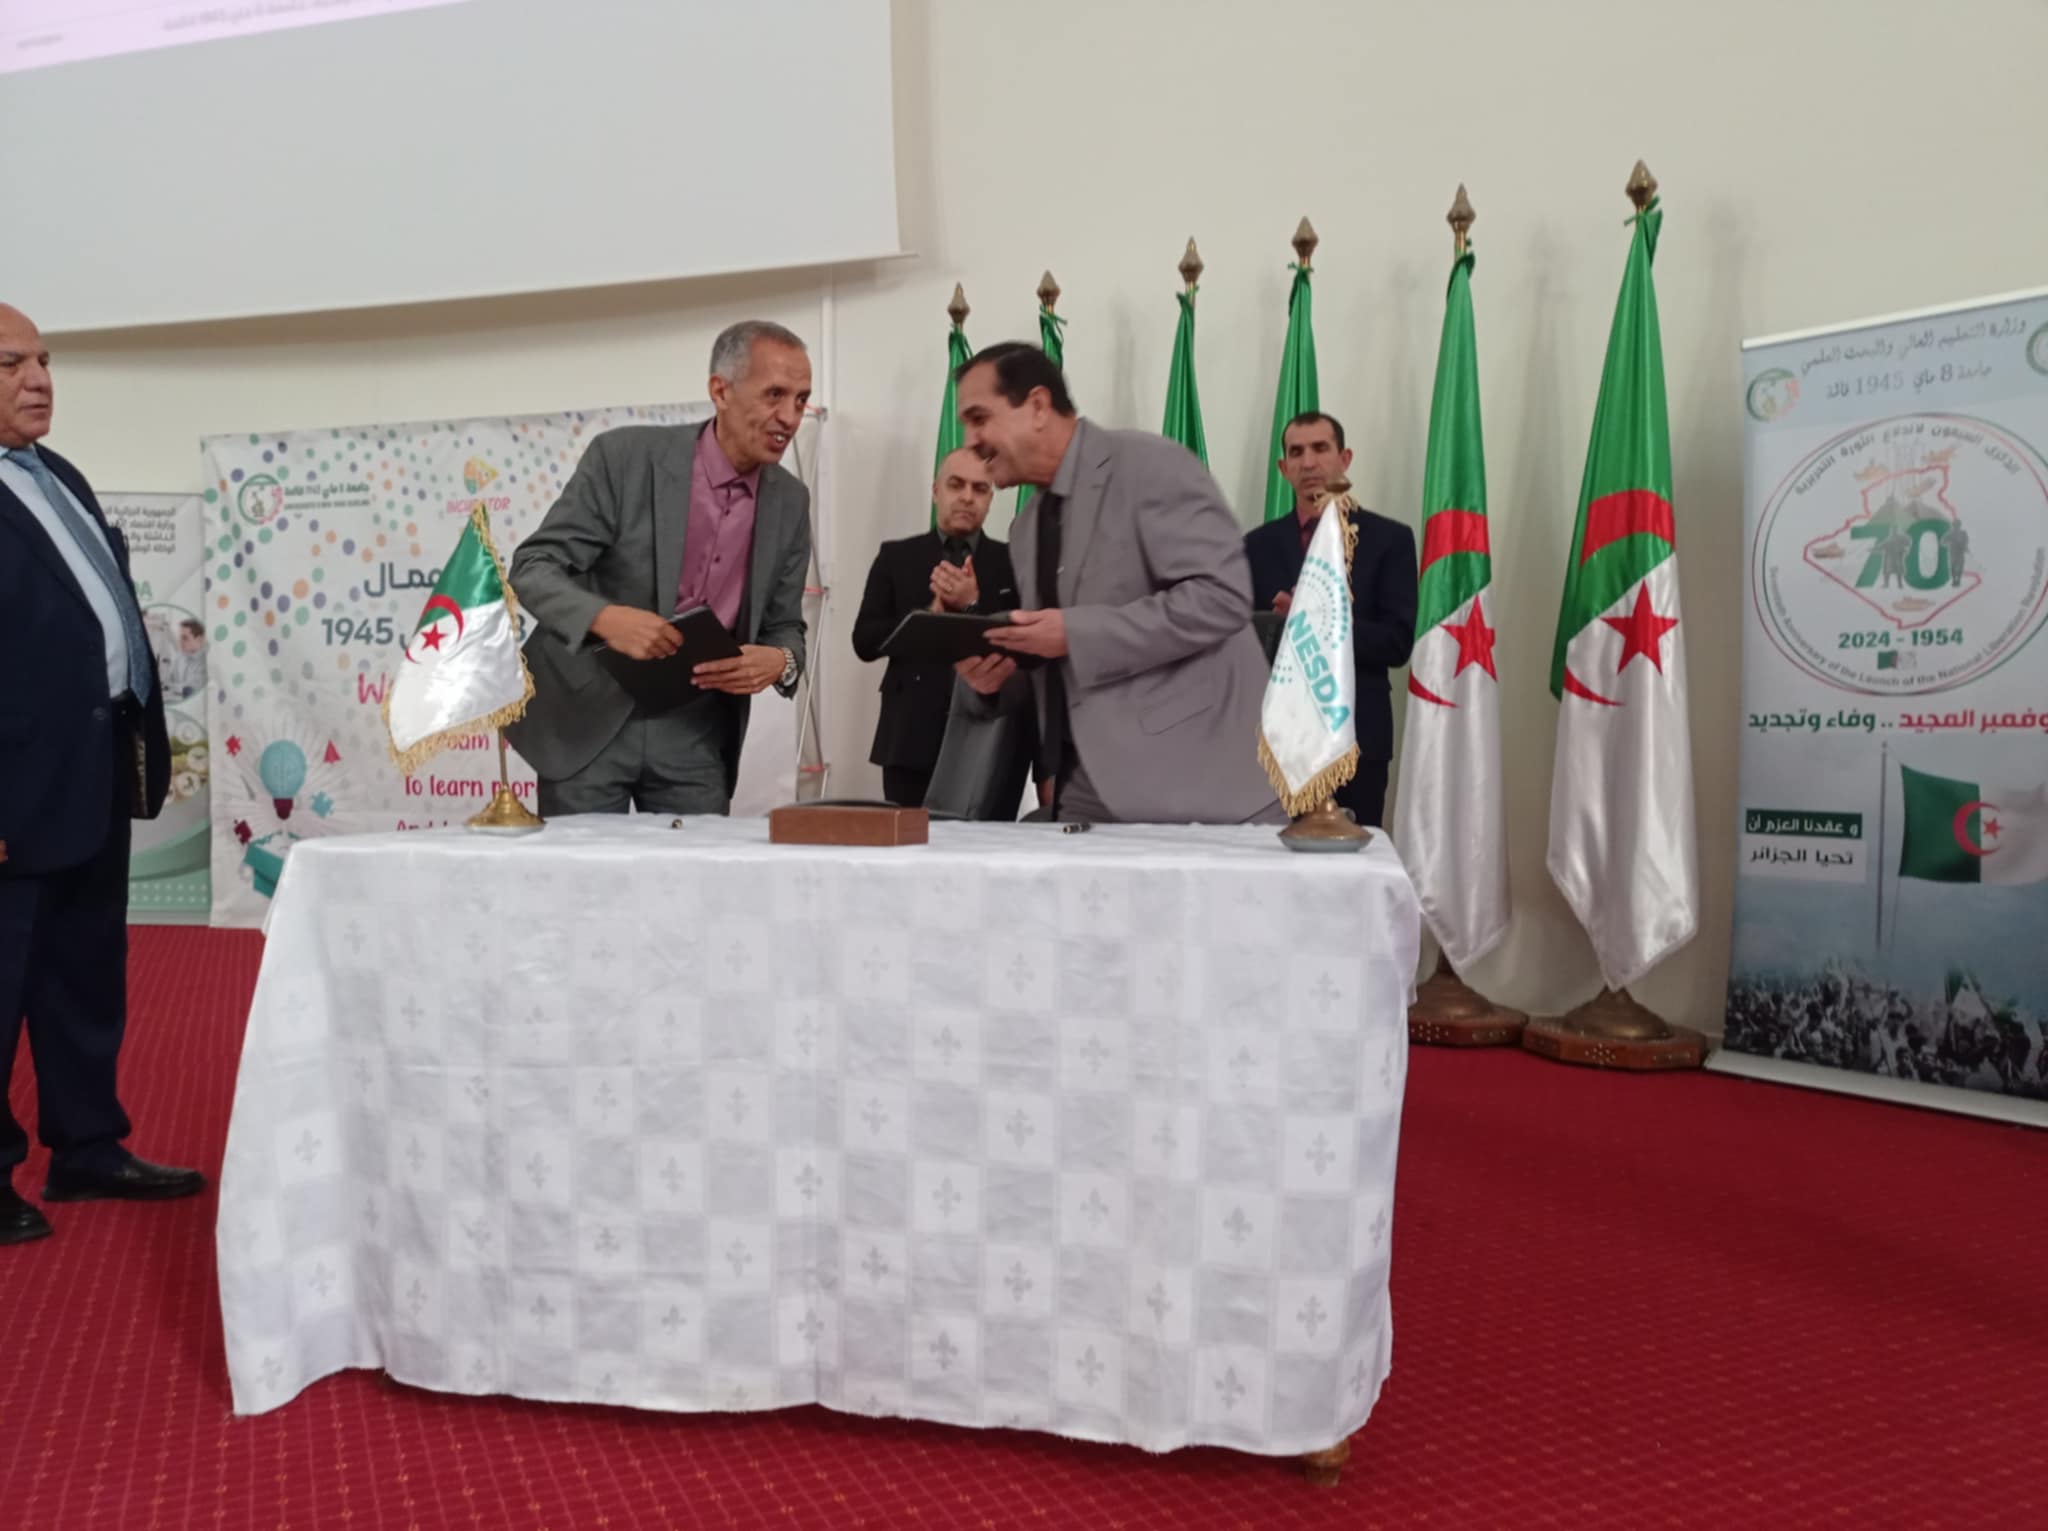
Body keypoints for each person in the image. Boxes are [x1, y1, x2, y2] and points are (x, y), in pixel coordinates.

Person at [0, 302, 203, 1246]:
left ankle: (87, 1147)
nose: (39, 379)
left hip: (91, 770)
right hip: (13, 789)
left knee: (84, 971)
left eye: (44, 360)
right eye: (10, 363)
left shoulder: (59, 474)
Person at [952, 342, 1278, 825]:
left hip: (1207, 786)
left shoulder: (1150, 465)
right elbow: (1064, 661)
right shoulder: (1026, 529)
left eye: (979, 418)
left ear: (1038, 406)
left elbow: (1221, 599)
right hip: (1090, 788)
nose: (971, 440)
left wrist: (1072, 633)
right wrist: (998, 680)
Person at [507, 321, 813, 815]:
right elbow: (532, 567)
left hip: (697, 732)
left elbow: (786, 627)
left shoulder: (791, 502)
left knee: (697, 867)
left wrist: (781, 661)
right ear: (720, 391)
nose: (790, 417)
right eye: (774, 395)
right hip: (588, 719)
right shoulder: (624, 457)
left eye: (801, 400)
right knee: (580, 867)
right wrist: (607, 619)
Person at [1243, 412, 1417, 828]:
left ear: (1345, 458)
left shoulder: (1389, 539)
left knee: (1354, 860)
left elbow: (1397, 643)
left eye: (1320, 448)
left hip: (1356, 740)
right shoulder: (1256, 546)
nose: (1309, 463)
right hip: (1281, 741)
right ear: (1283, 468)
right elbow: (1243, 642)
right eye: (1296, 453)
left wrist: (1317, 621)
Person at [850, 447, 1023, 807]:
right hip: (909, 736)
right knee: (910, 841)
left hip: (989, 734)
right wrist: (928, 616)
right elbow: (864, 641)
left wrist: (973, 605)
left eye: (980, 488)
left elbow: (1023, 644)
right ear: (935, 491)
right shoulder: (896, 556)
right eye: (956, 485)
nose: (967, 497)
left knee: (993, 843)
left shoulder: (1013, 562)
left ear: (991, 498)